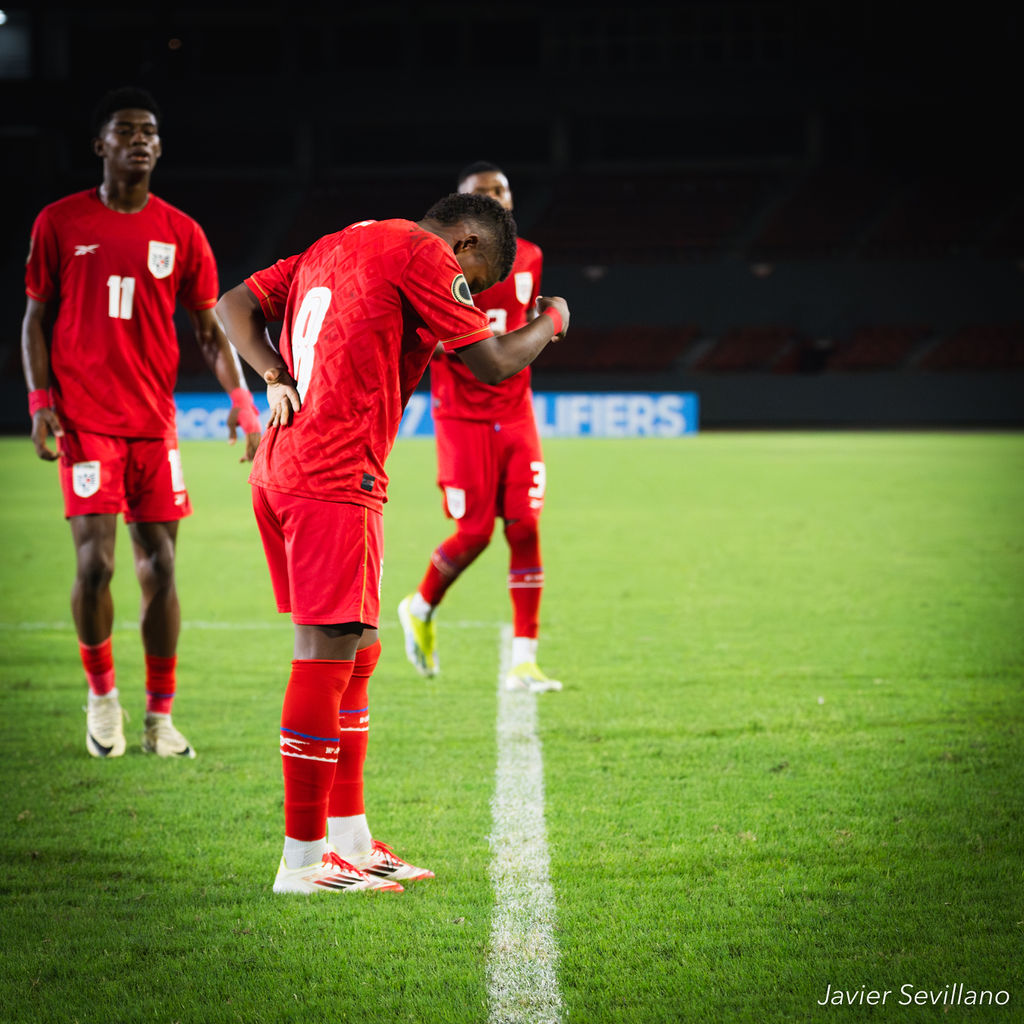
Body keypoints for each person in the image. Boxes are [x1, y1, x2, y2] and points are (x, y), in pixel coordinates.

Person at [215, 192, 569, 894]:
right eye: (476, 282)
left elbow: (232, 304)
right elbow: (495, 362)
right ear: (465, 244)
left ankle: (348, 836)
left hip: (296, 467)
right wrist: (552, 321)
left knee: (358, 648)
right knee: (323, 656)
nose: (467, 297)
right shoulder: (424, 256)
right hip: (330, 474)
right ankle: (303, 859)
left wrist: (274, 375)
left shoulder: (339, 239)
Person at [21, 86, 262, 761]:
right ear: (100, 145)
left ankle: (160, 719)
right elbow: (35, 321)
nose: (140, 141)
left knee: (161, 566)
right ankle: (103, 700)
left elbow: (212, 335)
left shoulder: (182, 233)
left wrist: (244, 404)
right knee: (96, 565)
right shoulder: (59, 223)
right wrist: (42, 402)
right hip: (85, 421)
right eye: (125, 131)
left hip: (154, 426)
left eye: (150, 132)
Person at [398, 162, 561, 693]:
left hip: (516, 412)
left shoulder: (530, 257)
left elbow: (520, 326)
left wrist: (541, 327)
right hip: (460, 415)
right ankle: (420, 606)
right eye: (483, 194)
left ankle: (525, 660)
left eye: (502, 190)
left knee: (526, 527)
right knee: (473, 534)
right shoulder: (434, 265)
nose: (496, 198)